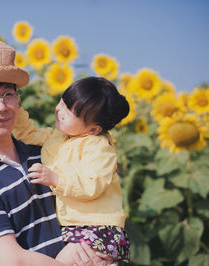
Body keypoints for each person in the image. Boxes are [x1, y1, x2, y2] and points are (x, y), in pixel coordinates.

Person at [0, 40, 112, 266]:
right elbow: (12, 261)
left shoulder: (47, 152)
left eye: (8, 94)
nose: (1, 106)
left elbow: (97, 200)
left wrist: (105, 251)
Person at [12, 76, 131, 264]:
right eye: (62, 102)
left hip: (98, 227)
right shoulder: (57, 137)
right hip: (75, 227)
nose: (60, 110)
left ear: (93, 129)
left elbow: (92, 185)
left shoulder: (98, 147)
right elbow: (28, 134)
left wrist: (56, 179)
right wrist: (15, 110)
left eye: (70, 111)